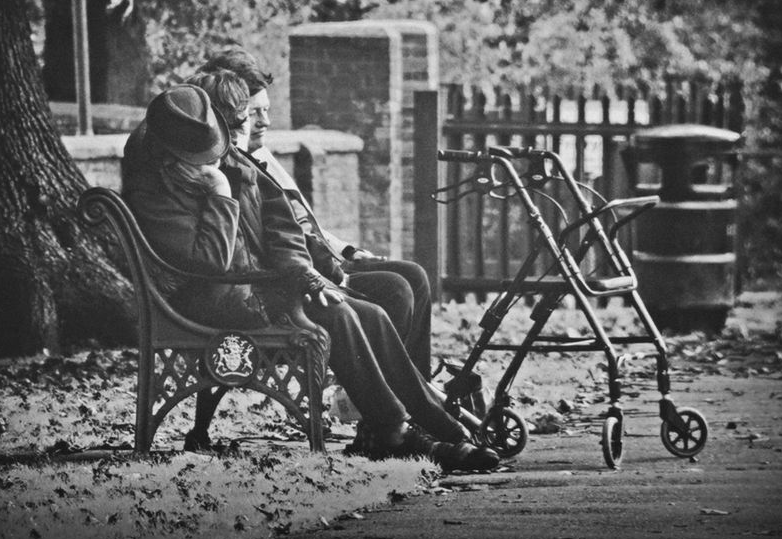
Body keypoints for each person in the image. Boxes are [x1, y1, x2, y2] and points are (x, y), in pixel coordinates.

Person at [122, 82, 499, 472]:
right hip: (214, 303)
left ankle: (431, 421)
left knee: (369, 313)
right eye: (199, 158)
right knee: (339, 317)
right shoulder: (154, 194)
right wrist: (219, 194)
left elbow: (282, 224)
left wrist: (306, 276)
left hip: (260, 285)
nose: (213, 160)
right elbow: (211, 263)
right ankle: (395, 433)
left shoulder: (227, 160)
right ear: (170, 157)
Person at [196, 44, 434, 379]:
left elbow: (304, 219)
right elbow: (272, 240)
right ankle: (397, 397)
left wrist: (347, 251)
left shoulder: (262, 157)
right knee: (397, 289)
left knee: (414, 275)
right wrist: (325, 274)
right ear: (231, 116)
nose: (265, 122)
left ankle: (418, 387)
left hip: (320, 259)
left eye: (266, 110)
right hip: (294, 276)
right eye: (254, 114)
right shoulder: (232, 175)